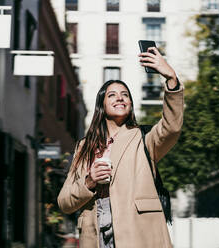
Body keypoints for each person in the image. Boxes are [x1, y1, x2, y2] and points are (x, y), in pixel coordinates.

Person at [57, 47, 184, 248]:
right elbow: (64, 202)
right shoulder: (85, 146)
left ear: (131, 104)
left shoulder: (144, 138)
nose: (120, 98)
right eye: (112, 95)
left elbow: (172, 127)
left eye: (125, 94)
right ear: (102, 105)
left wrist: (171, 79)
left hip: (138, 235)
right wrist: (89, 181)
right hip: (96, 236)